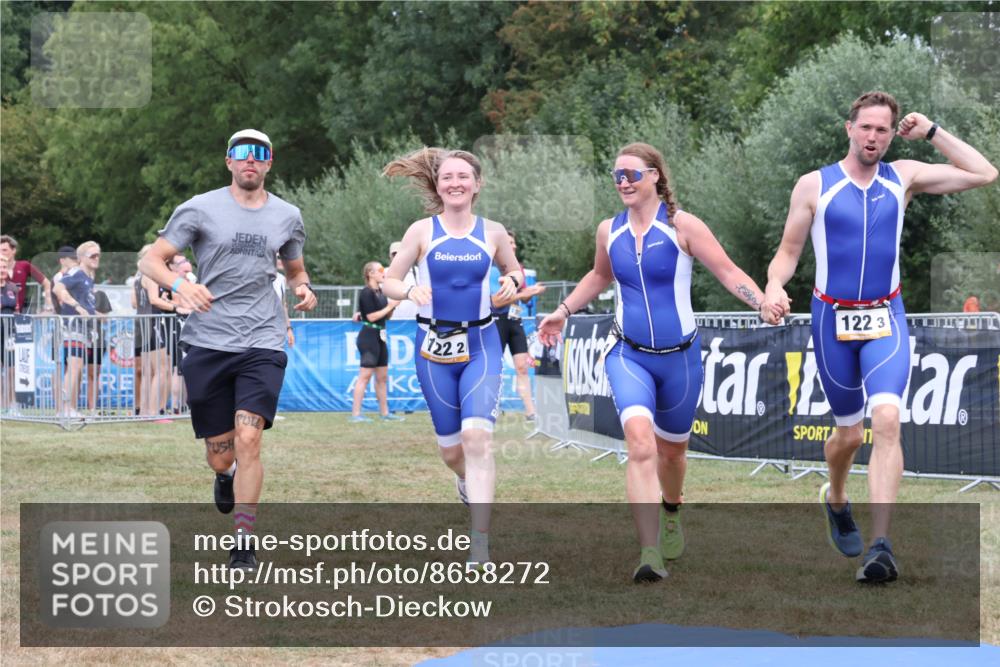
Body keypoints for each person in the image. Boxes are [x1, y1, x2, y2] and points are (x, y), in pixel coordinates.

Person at [762, 91, 998, 584]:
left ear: (893, 133)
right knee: (848, 435)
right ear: (849, 128)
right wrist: (773, 287)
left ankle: (881, 546)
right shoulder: (814, 185)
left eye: (883, 130)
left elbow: (984, 172)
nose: (873, 137)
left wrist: (931, 131)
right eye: (866, 128)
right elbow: (788, 251)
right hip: (831, 321)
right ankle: (836, 496)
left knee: (887, 419)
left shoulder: (904, 177)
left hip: (886, 318)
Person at [538, 142, 781, 583]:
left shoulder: (682, 225)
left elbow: (726, 270)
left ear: (655, 176)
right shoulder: (607, 231)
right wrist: (565, 311)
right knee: (640, 444)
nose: (624, 183)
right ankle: (649, 552)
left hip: (681, 360)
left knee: (672, 453)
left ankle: (672, 511)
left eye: (632, 174)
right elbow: (599, 275)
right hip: (628, 355)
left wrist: (762, 301)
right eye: (617, 176)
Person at [139, 128, 317, 570]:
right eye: (242, 154)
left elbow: (295, 270)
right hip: (208, 340)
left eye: (260, 154)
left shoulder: (287, 215)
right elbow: (150, 260)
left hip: (263, 338)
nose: (251, 161)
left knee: (250, 437)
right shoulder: (199, 208)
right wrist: (182, 285)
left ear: (270, 163)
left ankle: (243, 542)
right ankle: (226, 476)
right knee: (221, 453)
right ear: (229, 161)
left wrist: (304, 288)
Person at [382, 147, 522, 566]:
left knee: (477, 438)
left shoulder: (493, 232)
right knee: (452, 452)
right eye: (447, 177)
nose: (455, 183)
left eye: (463, 176)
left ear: (477, 184)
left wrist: (511, 284)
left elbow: (513, 270)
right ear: (438, 186)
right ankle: (464, 480)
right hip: (433, 348)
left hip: (481, 344)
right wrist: (409, 290)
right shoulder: (421, 232)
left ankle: (479, 542)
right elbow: (389, 280)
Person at [489, 231, 546, 421]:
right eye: (509, 243)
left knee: (522, 367)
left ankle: (531, 411)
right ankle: (490, 408)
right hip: (495, 322)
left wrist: (531, 291)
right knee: (493, 369)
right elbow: (496, 302)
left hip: (515, 320)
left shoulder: (517, 269)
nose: (513, 246)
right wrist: (523, 294)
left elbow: (522, 297)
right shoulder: (490, 269)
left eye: (513, 243)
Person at [52, 241, 101, 418]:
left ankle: (70, 408)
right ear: (81, 258)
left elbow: (86, 303)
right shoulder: (77, 273)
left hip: (84, 329)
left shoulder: (88, 277)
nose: (97, 258)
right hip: (73, 327)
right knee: (73, 368)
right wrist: (76, 306)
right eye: (92, 256)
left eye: (98, 255)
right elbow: (58, 288)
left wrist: (95, 314)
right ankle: (64, 409)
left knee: (77, 369)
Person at [350, 261, 403, 422]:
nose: (383, 273)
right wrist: (389, 307)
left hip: (381, 334)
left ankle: (385, 413)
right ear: (370, 273)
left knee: (382, 377)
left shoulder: (381, 292)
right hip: (368, 336)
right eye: (380, 270)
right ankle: (356, 414)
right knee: (365, 375)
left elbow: (386, 316)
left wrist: (392, 306)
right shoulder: (366, 292)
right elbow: (371, 316)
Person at [0, 234, 53, 313]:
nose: (1, 253)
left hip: (16, 316)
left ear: (14, 250)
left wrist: (48, 307)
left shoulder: (24, 266)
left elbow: (47, 283)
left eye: (4, 250)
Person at [1, 256, 20, 411]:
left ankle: (12, 405)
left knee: (12, 370)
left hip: (9, 334)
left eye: (4, 267)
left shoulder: (13, 287)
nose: (2, 270)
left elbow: (17, 309)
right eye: (0, 267)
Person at [388, 241, 420, 320]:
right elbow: (374, 296)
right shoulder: (384, 274)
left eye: (399, 254)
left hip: (413, 322)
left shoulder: (418, 272)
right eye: (394, 254)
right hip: (390, 322)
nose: (397, 257)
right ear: (390, 256)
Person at [273, 256, 295, 348]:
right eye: (278, 257)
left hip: (277, 328)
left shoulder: (281, 279)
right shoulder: (257, 276)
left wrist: (289, 329)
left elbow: (283, 305)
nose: (282, 260)